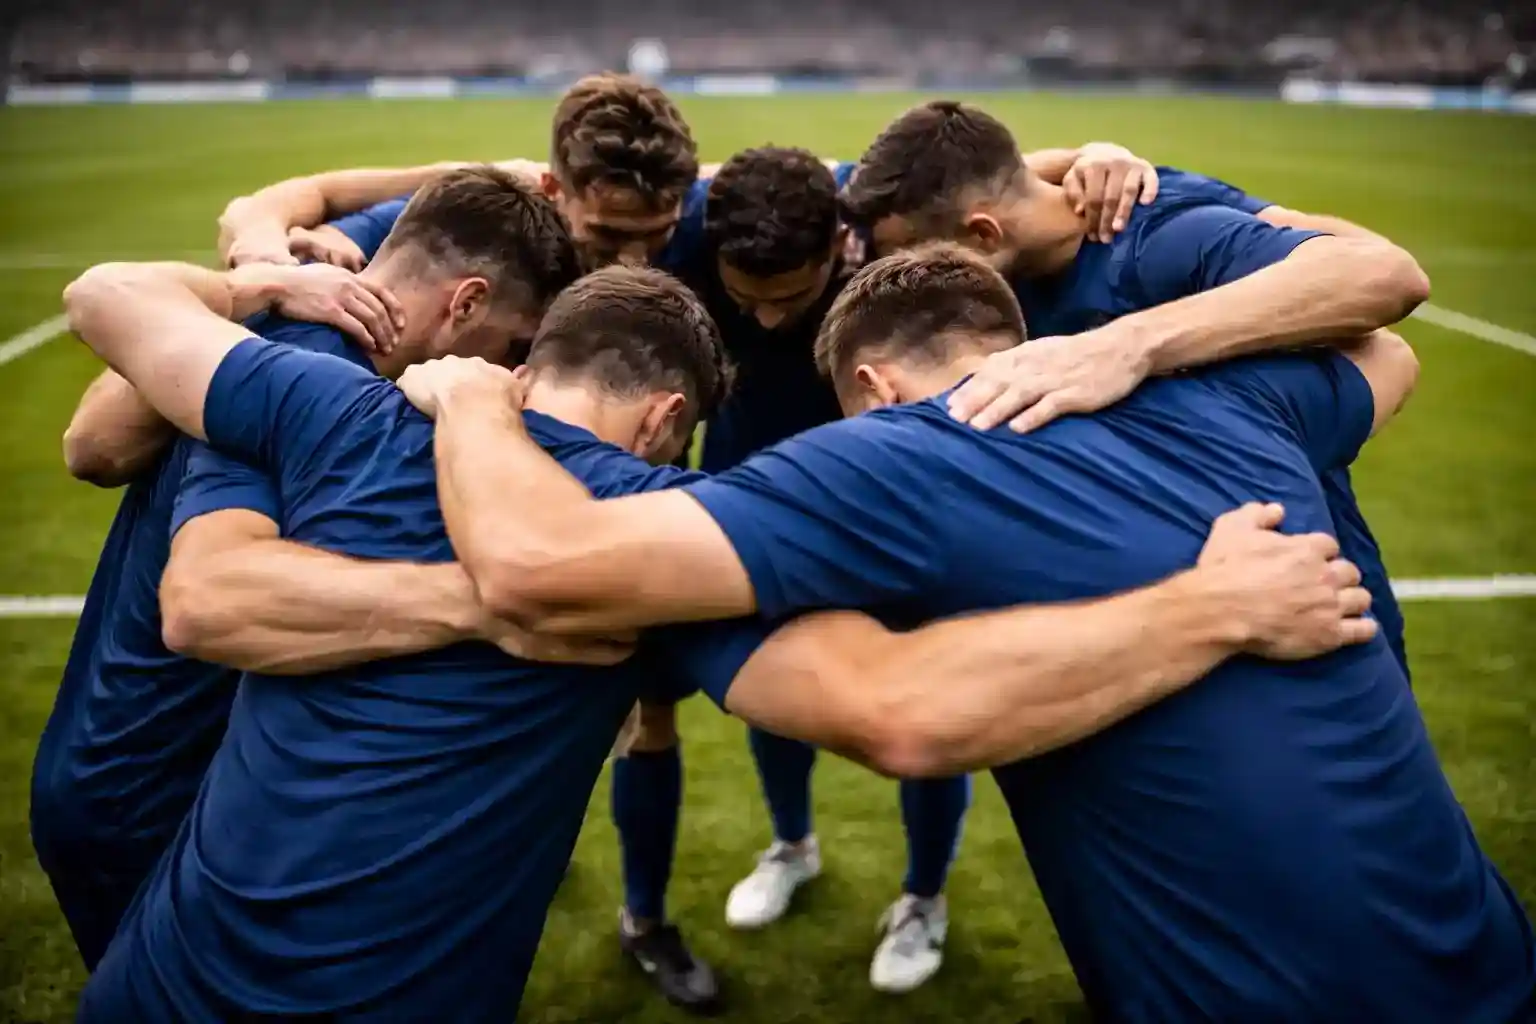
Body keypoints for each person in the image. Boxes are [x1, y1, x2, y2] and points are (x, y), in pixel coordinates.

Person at [62, 256, 1364, 1021]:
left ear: (527, 366)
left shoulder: (342, 415)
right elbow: (896, 708)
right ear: (665, 417)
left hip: (149, 980)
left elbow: (107, 292)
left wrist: (262, 281)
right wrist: (1206, 607)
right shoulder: (661, 535)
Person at [397, 244, 1533, 1023]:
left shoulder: (897, 451)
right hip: (1482, 950)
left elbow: (537, 569)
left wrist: (476, 404)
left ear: (876, 386)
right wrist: (1145, 344)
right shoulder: (1240, 399)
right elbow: (1391, 352)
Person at [28, 167, 580, 970]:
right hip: (140, 791)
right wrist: (488, 605)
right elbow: (195, 582)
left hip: (140, 768)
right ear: (464, 304)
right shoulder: (309, 376)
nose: (510, 373)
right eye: (512, 344)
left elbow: (95, 447)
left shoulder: (278, 343)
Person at [837, 100, 1430, 677]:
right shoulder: (1014, 257)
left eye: (913, 251)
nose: (905, 273)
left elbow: (1386, 276)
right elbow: (969, 183)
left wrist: (1132, 345)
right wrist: (1080, 154)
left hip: (1308, 594)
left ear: (985, 233)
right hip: (1175, 608)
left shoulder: (1156, 234)